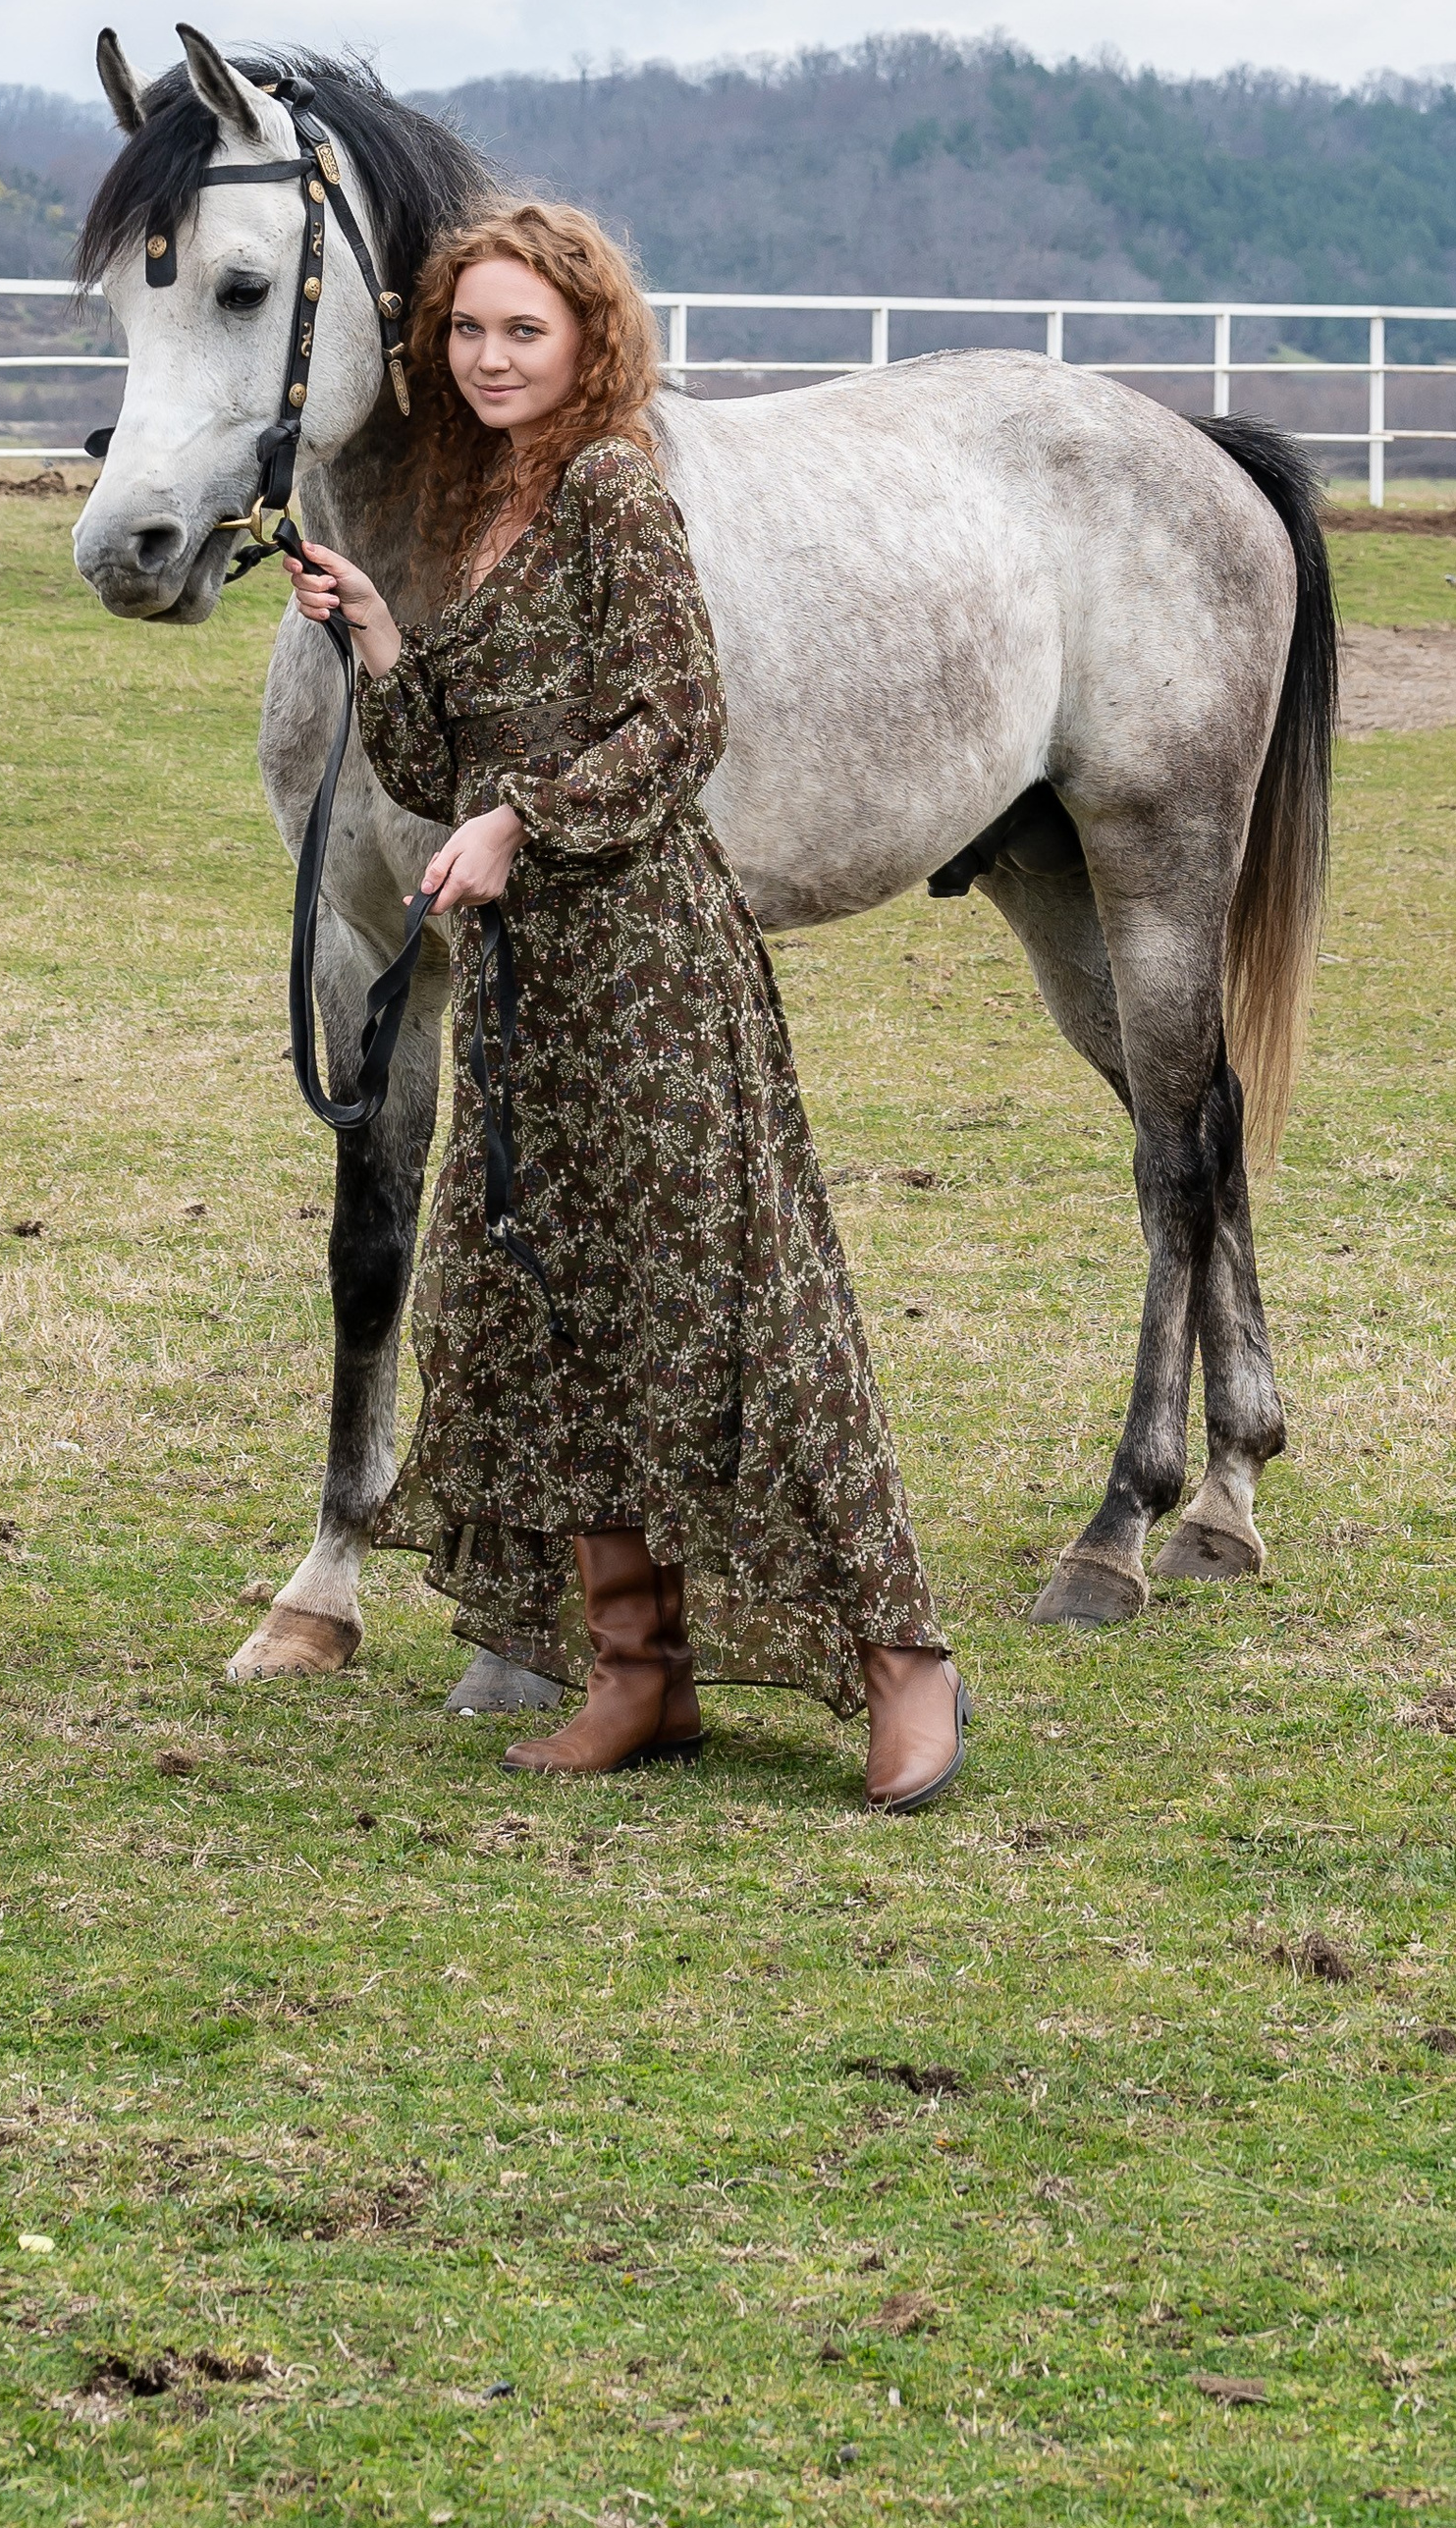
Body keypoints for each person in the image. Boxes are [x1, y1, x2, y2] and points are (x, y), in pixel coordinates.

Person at [280, 200, 968, 1811]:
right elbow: (446, 770)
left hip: (649, 966)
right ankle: (637, 1670)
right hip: (527, 988)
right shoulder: (483, 517)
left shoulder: (611, 486)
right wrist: (384, 642)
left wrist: (529, 829)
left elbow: (684, 719)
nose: (492, 357)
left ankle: (903, 1659)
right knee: (547, 1311)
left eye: (526, 329)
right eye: (468, 331)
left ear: (591, 340)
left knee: (736, 1315)